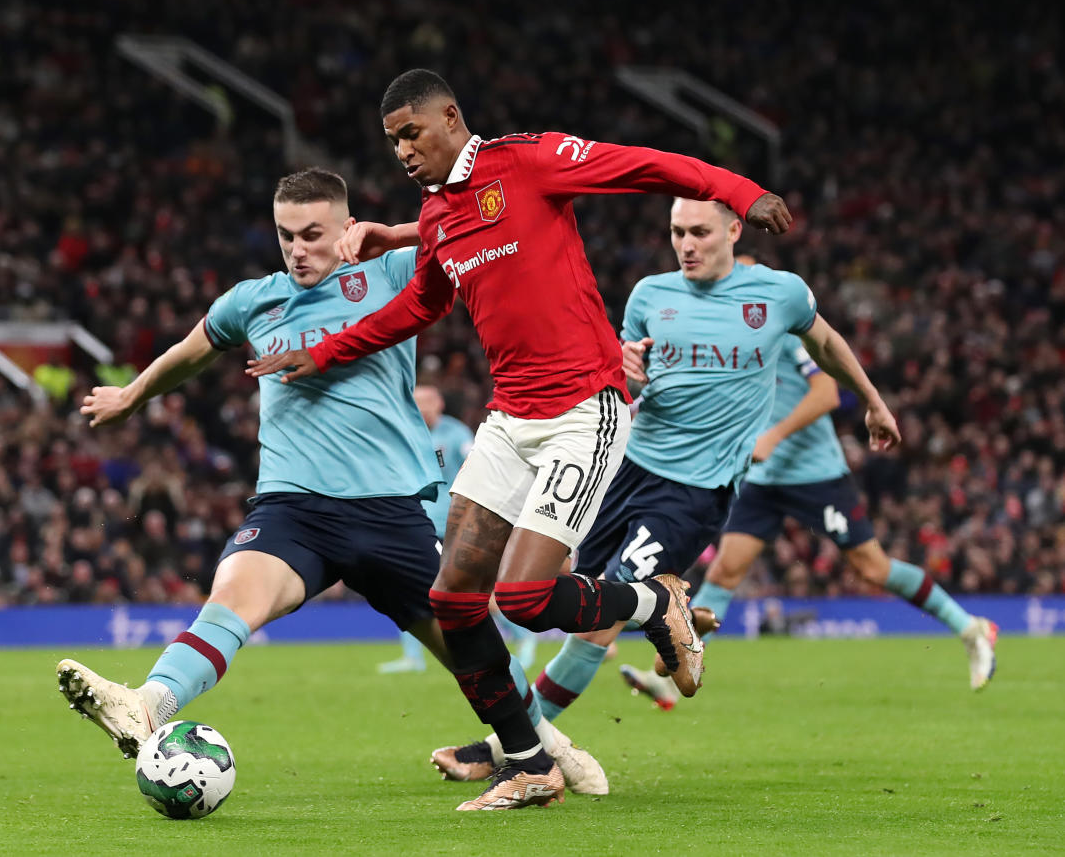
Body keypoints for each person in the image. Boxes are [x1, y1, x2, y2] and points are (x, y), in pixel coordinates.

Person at [248, 68, 794, 808]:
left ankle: (651, 605)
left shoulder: (527, 161)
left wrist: (739, 190)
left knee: (529, 594)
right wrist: (328, 348)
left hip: (584, 410)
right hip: (510, 420)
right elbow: (421, 303)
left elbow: (641, 164)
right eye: (393, 141)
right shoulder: (439, 216)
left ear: (450, 117)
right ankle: (531, 762)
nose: (403, 151)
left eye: (412, 132)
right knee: (454, 598)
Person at [54, 168, 601, 807]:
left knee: (469, 651)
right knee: (232, 599)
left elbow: (478, 233)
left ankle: (545, 749)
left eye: (313, 235)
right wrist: (131, 394)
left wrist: (398, 232)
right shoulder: (252, 301)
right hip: (294, 508)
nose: (298, 250)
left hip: (394, 509)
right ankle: (147, 703)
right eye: (287, 236)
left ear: (346, 228)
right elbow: (192, 350)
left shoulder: (392, 274)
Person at [427, 196, 903, 778]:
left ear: (734, 229)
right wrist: (623, 366)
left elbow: (825, 343)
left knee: (600, 620)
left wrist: (874, 403)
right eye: (677, 232)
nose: (687, 244)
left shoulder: (779, 294)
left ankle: (514, 751)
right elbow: (620, 371)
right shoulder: (651, 294)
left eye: (700, 232)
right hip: (623, 467)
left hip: (693, 492)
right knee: (548, 595)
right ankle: (668, 619)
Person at [621, 295, 997, 707]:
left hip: (813, 474)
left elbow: (826, 396)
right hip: (761, 477)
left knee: (872, 568)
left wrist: (773, 437)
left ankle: (970, 628)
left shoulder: (777, 335)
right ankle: (671, 671)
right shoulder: (719, 344)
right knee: (726, 570)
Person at [378, 385, 539, 674]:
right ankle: (412, 656)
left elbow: (478, 468)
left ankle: (523, 638)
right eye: (415, 403)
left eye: (425, 402)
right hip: (419, 521)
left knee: (468, 588)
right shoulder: (408, 431)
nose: (420, 409)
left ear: (438, 403)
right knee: (406, 586)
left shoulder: (457, 434)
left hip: (453, 523)